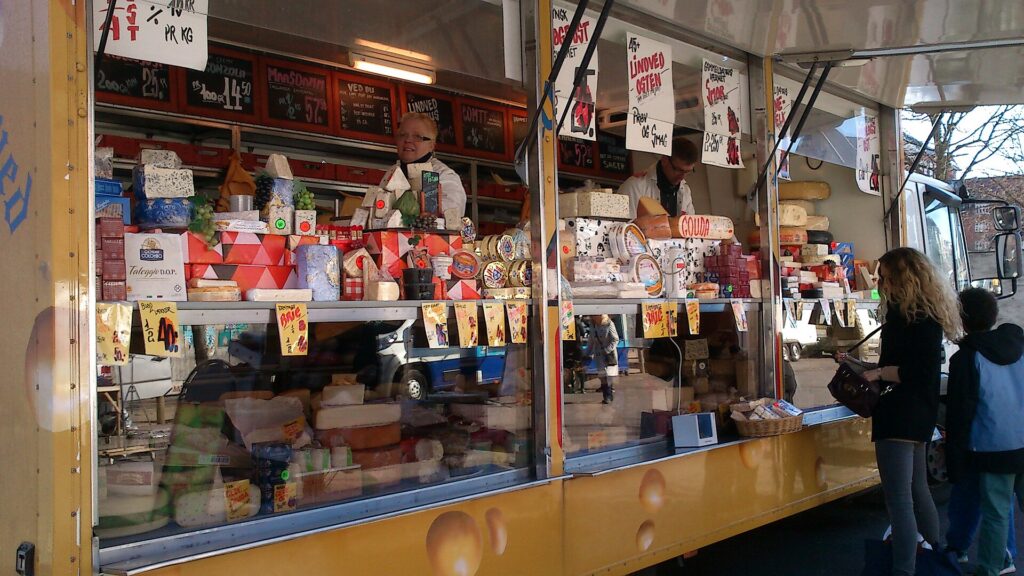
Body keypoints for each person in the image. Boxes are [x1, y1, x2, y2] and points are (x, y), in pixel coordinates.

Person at [858, 247, 962, 576]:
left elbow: (915, 370)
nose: (881, 284)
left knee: (900, 499)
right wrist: (862, 367)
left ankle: (905, 569)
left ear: (902, 280)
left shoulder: (906, 320)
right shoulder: (926, 319)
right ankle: (933, 556)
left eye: (885, 278)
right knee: (917, 490)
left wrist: (876, 374)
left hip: (897, 415)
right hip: (919, 415)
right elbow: (916, 369)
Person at [946, 288, 1024, 576]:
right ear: (994, 316)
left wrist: (955, 457)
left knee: (996, 512)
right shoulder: (1019, 345)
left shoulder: (966, 358)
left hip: (994, 447)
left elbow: (960, 414)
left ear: (961, 319)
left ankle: (992, 567)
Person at [382, 112, 467, 221]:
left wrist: (429, 216)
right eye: (403, 135)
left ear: (431, 145)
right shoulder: (392, 171)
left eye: (417, 136)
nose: (408, 140)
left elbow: (453, 211)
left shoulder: (443, 175)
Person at [617, 138, 699, 219]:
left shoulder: (685, 191)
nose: (682, 177)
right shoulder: (634, 186)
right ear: (665, 160)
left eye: (688, 172)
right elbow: (622, 228)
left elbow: (690, 227)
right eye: (678, 170)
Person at [587, 315, 620, 404]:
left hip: (609, 354)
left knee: (608, 376)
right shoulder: (593, 325)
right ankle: (606, 395)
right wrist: (587, 353)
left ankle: (608, 396)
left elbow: (615, 339)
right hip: (599, 355)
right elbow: (591, 341)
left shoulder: (609, 324)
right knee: (602, 377)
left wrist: (607, 350)